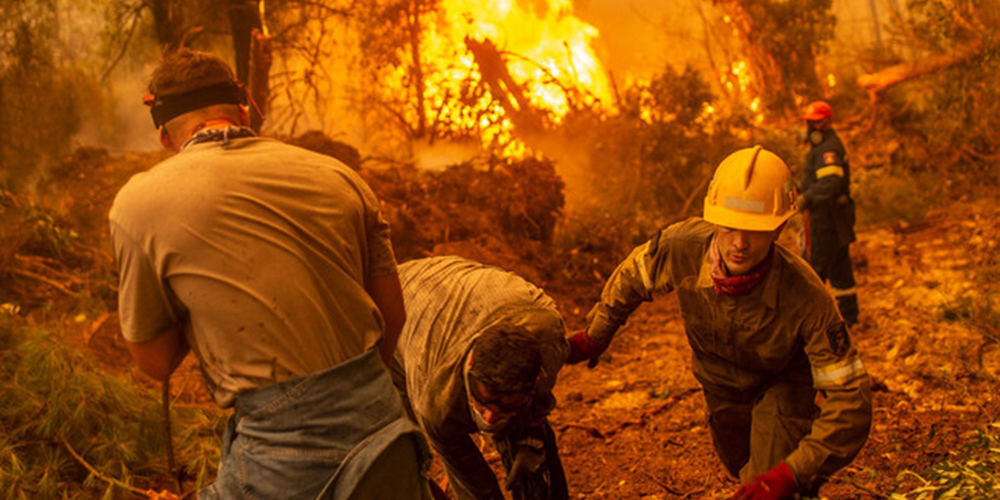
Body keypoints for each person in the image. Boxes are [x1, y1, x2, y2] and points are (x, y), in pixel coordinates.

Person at [109, 48, 430, 500]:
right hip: (384, 429)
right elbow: (393, 316)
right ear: (244, 109)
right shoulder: (339, 177)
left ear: (164, 135)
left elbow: (156, 362)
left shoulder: (139, 204)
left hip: (280, 457)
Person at [567, 146, 872, 500]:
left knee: (769, 477)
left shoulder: (807, 296)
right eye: (730, 228)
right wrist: (596, 335)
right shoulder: (681, 247)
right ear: (713, 219)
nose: (740, 244)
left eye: (756, 231)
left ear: (779, 228)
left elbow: (852, 400)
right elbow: (633, 276)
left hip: (782, 383)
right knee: (740, 467)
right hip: (720, 385)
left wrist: (792, 473)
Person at [390, 256, 570, 500]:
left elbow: (537, 406)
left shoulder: (549, 343)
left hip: (484, 295)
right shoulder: (436, 401)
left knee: (529, 446)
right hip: (392, 307)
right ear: (470, 364)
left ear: (536, 379)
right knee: (407, 449)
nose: (490, 418)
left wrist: (530, 433)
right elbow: (470, 478)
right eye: (482, 404)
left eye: (504, 409)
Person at [797, 100, 859, 326]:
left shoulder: (828, 149)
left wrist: (807, 198)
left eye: (812, 123)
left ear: (824, 122)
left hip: (826, 220)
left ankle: (806, 321)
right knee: (840, 268)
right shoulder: (821, 147)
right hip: (836, 219)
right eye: (808, 123)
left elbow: (831, 182)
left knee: (813, 270)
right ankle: (850, 316)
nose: (809, 128)